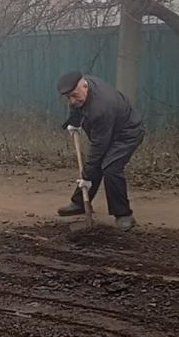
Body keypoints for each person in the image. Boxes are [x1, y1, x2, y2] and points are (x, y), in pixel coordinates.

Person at [57, 71, 144, 230]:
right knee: (94, 165)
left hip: (127, 133)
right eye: (68, 97)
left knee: (110, 168)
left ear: (85, 86)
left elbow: (99, 147)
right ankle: (80, 203)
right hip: (109, 128)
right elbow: (76, 105)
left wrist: (86, 176)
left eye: (74, 95)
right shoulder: (81, 88)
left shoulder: (101, 107)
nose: (72, 100)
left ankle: (124, 215)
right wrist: (74, 121)